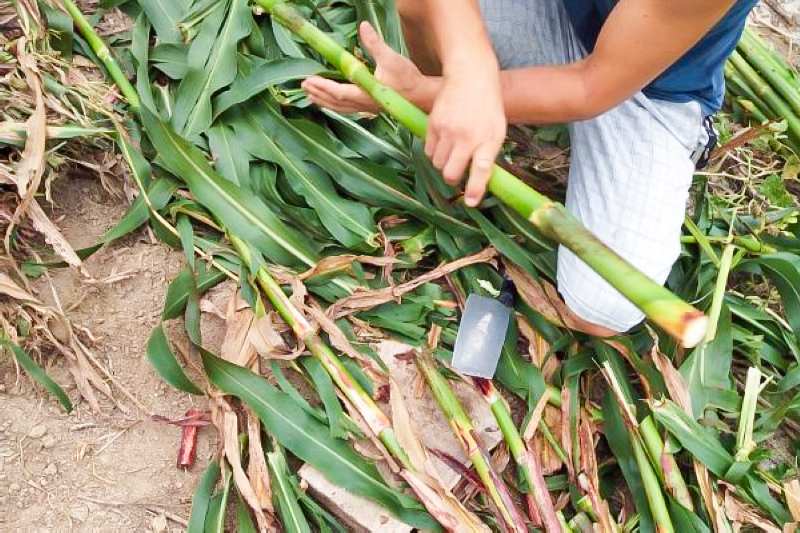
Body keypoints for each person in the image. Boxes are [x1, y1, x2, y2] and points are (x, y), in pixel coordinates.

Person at [301, 0, 758, 336]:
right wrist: (468, 69)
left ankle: (465, 106)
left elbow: (589, 87)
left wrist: (417, 93)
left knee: (600, 309)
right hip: (560, 12)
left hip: (649, 91)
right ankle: (458, 121)